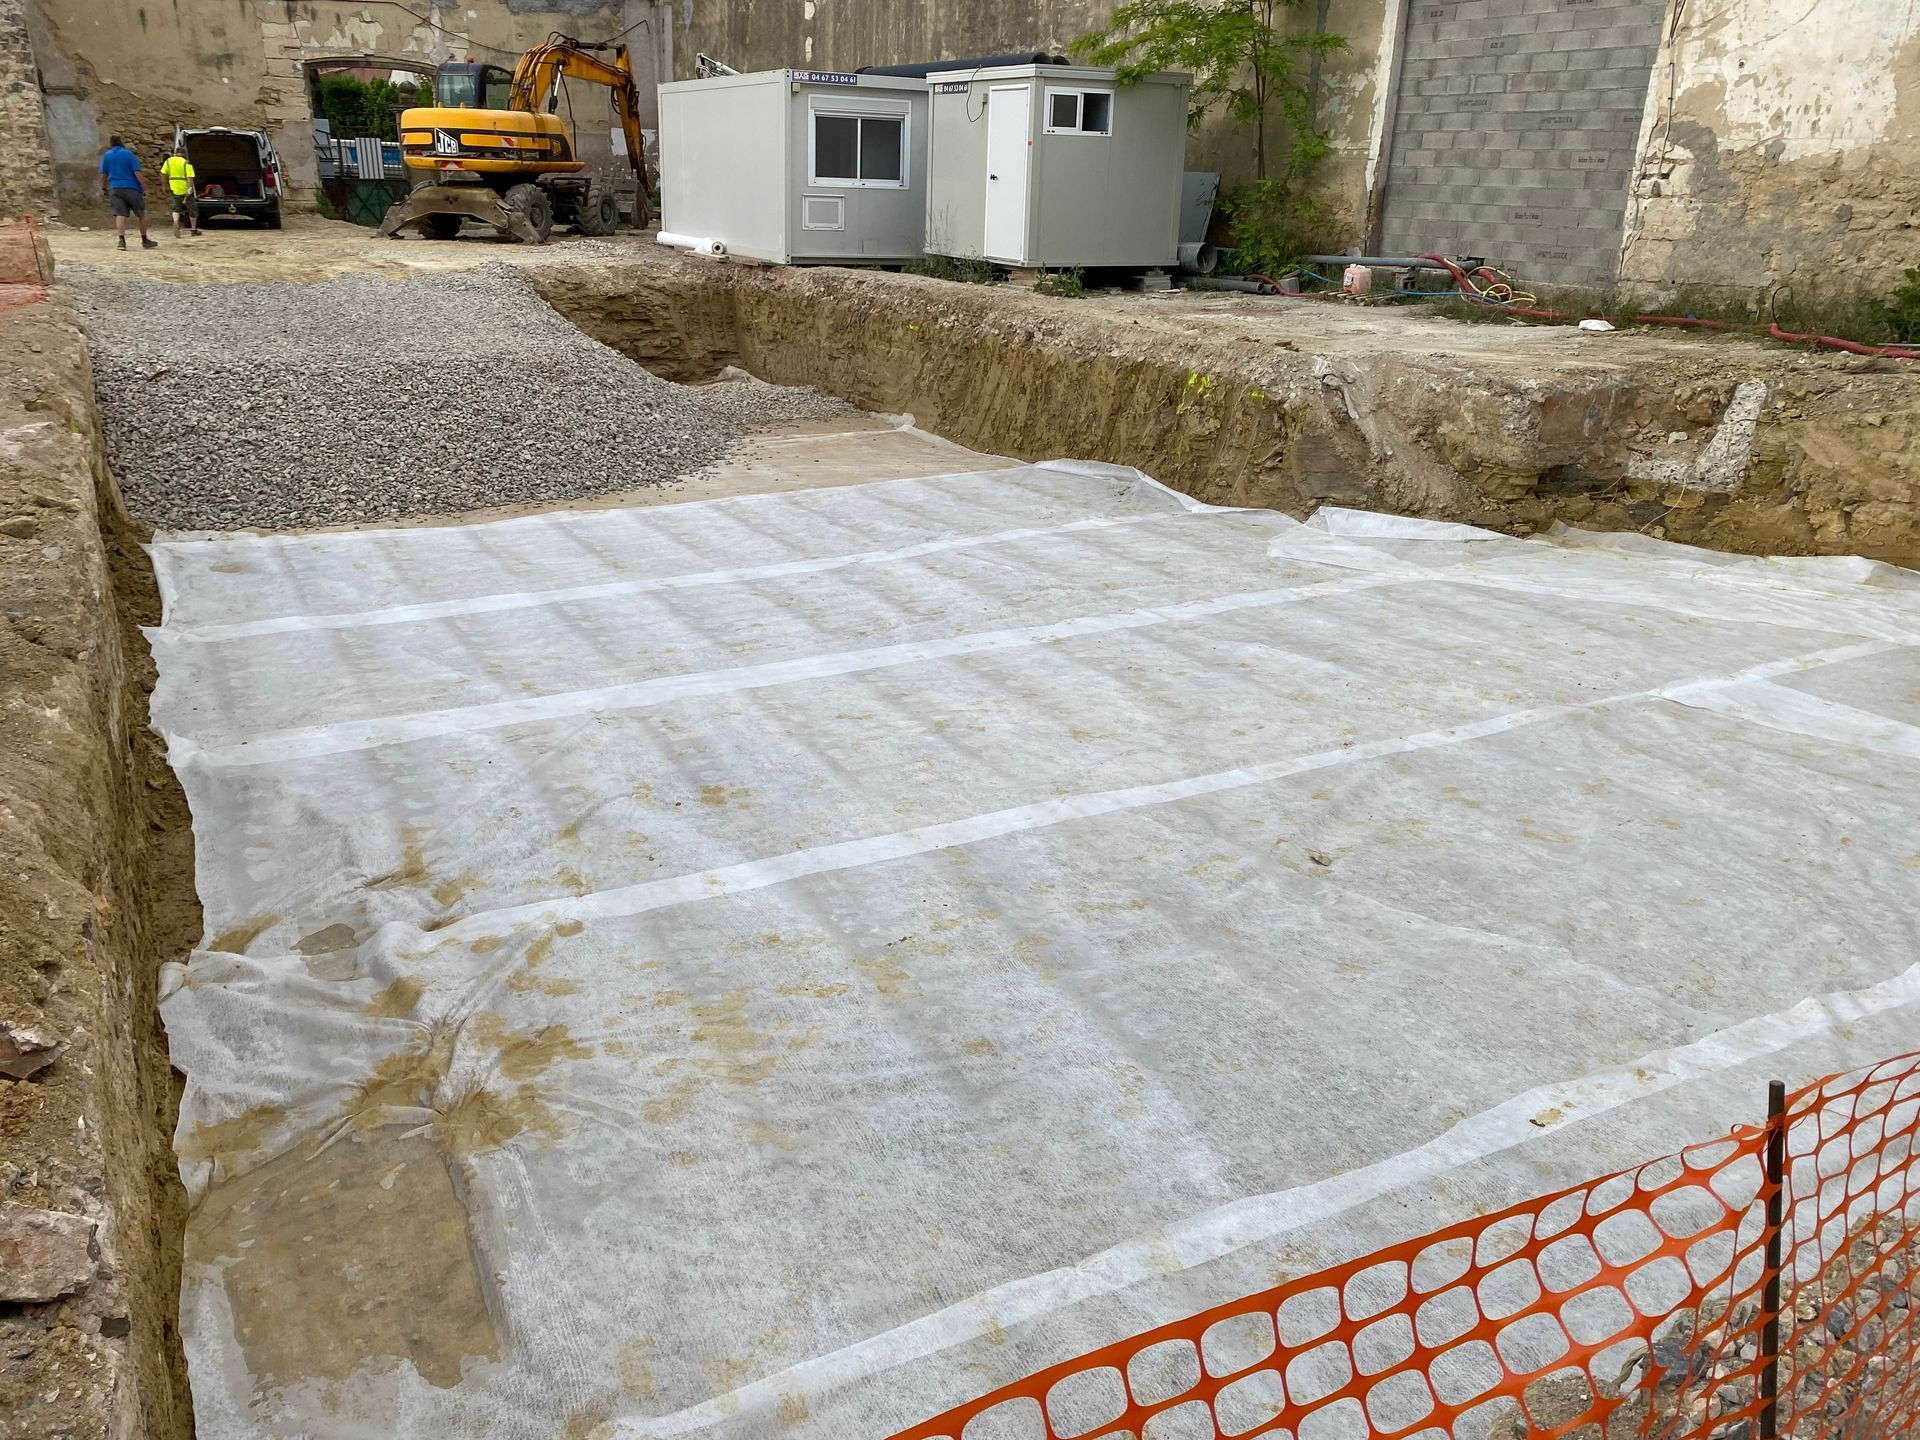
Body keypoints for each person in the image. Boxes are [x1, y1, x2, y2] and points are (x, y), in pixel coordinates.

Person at [99, 135, 158, 250]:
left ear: (111, 144)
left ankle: (121, 241)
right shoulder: (129, 154)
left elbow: (103, 175)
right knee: (140, 214)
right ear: (121, 142)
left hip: (115, 188)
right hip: (132, 188)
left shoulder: (107, 156)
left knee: (120, 215)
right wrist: (144, 188)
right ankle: (144, 240)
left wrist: (104, 189)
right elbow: (137, 172)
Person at [160, 144, 200, 238]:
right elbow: (189, 178)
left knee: (176, 208)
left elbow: (163, 173)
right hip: (185, 188)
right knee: (192, 210)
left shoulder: (168, 161)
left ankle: (175, 221)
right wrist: (189, 190)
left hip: (174, 187)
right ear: (184, 154)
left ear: (176, 153)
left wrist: (164, 186)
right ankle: (193, 230)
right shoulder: (187, 163)